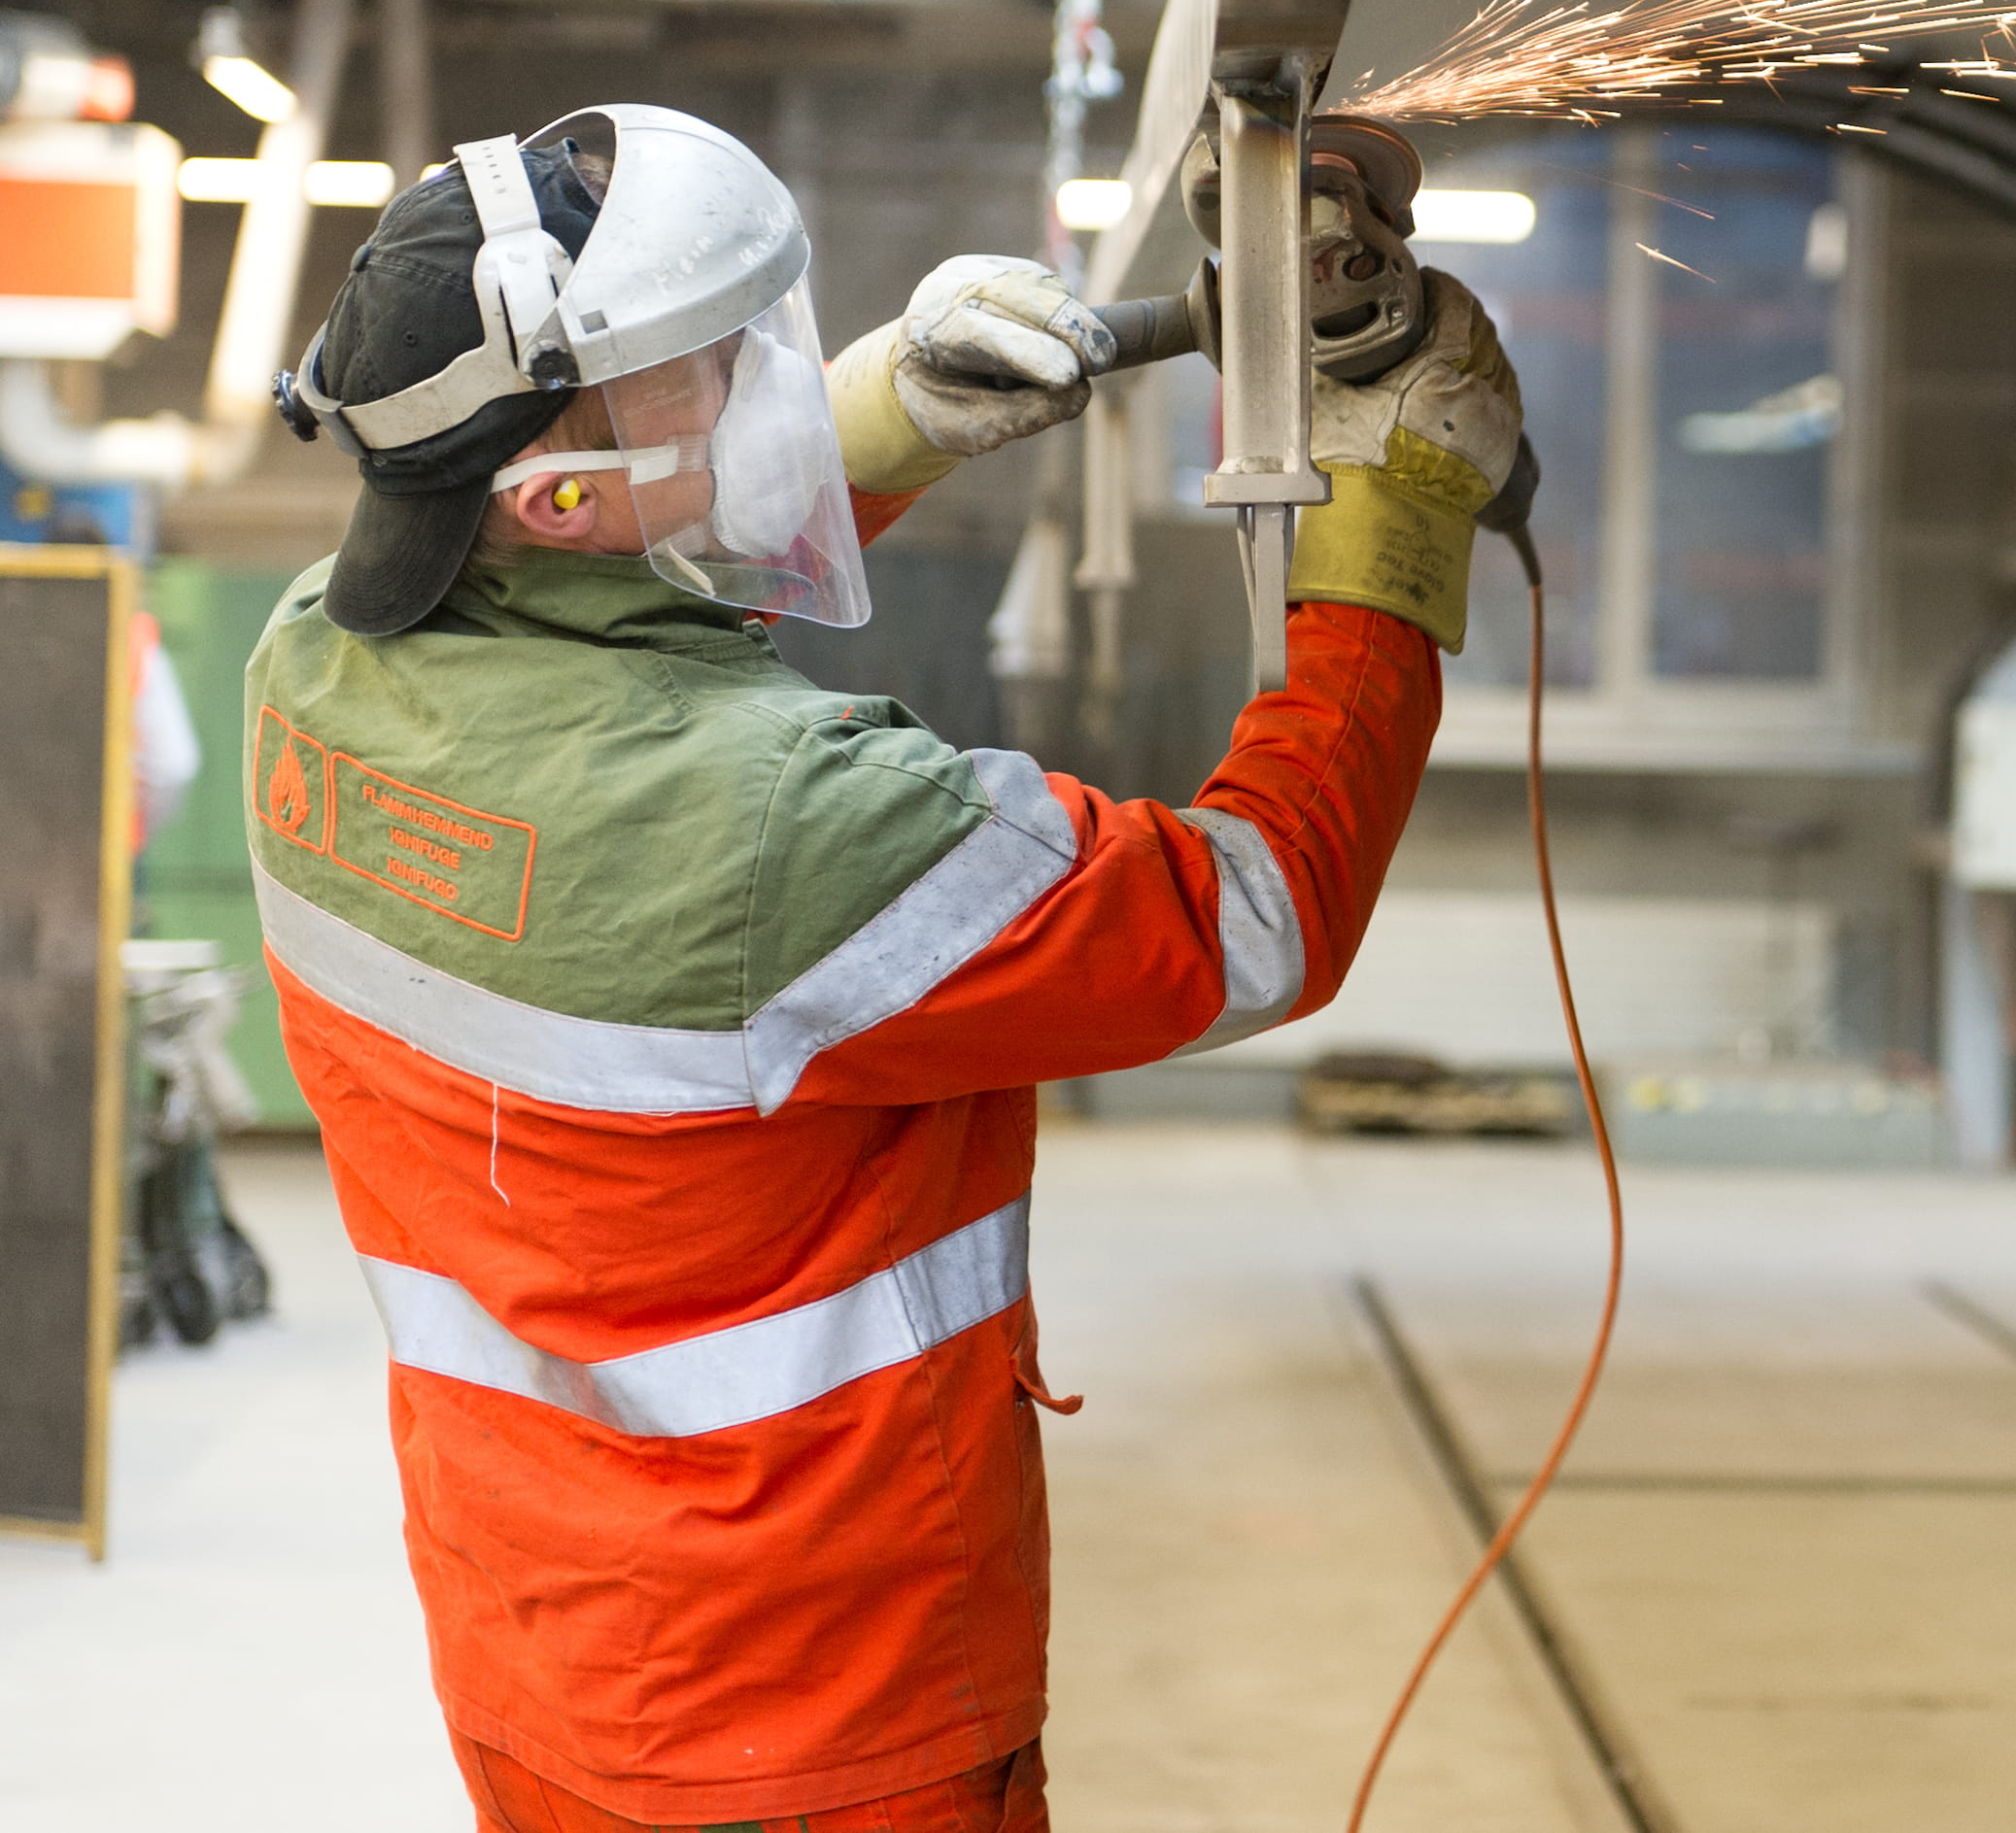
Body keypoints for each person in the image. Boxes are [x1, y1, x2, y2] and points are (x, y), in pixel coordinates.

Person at [250, 105, 1516, 1833]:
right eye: (711, 371)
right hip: (821, 1708)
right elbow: (1257, 916)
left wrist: (891, 415)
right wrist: (1395, 515)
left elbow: (595, 612)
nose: (771, 391)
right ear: (557, 486)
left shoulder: (318, 667)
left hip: (538, 1655)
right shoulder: (801, 828)